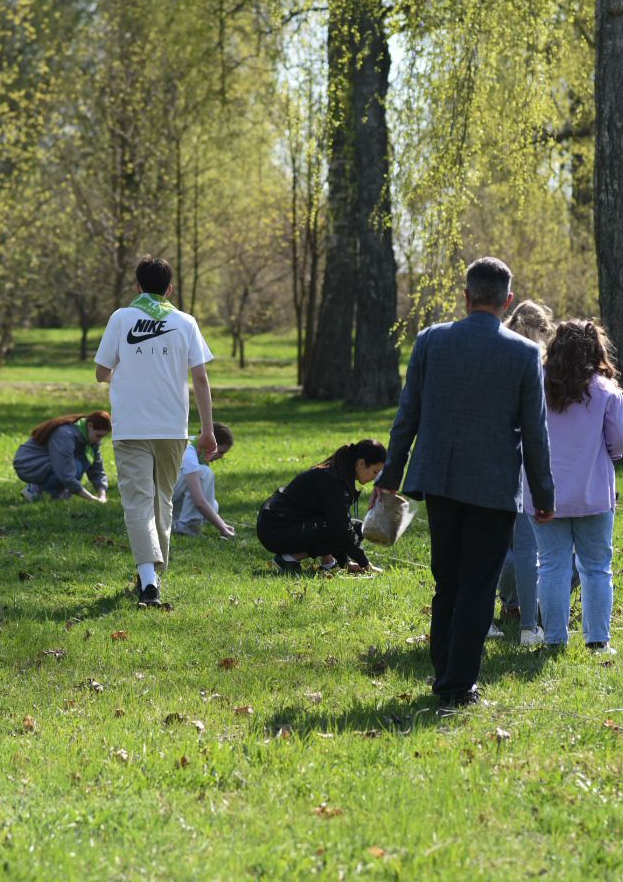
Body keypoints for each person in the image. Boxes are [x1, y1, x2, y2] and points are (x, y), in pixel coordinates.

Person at [378, 257, 554, 711]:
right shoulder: (524, 353)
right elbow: (535, 433)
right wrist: (544, 494)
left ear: (466, 296)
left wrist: (390, 475)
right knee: (477, 584)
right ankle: (457, 685)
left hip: (440, 479)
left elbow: (407, 416)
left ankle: (445, 673)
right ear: (507, 301)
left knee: (448, 582)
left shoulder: (430, 341)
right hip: (494, 486)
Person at [94, 255, 218, 609]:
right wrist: (208, 430)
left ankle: (148, 581)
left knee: (138, 500)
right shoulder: (186, 322)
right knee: (161, 500)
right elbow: (200, 378)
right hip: (172, 429)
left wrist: (125, 373)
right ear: (170, 289)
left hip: (131, 427)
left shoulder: (121, 318)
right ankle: (151, 577)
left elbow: (102, 372)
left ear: (137, 286)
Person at [530, 320, 623, 652]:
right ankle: (598, 640)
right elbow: (621, 439)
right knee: (597, 568)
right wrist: (610, 454)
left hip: (543, 492)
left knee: (551, 566)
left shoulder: (535, 385)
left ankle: (554, 639)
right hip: (593, 492)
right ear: (596, 351)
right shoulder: (606, 390)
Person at [495, 300, 555, 643]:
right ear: (540, 331)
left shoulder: (498, 351)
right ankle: (529, 623)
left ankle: (499, 613)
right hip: (523, 461)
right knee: (528, 548)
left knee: (493, 544)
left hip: (494, 459)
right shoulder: (535, 362)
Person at [258, 440, 387, 574]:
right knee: (345, 529)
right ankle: (288, 559)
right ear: (361, 463)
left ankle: (329, 563)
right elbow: (340, 529)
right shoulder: (333, 480)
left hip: (279, 526)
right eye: (375, 472)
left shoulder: (335, 473)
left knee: (356, 528)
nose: (375, 478)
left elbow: (330, 518)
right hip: (276, 530)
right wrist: (365, 564)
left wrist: (345, 563)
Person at [13, 412, 111, 504]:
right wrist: (91, 498)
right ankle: (36, 489)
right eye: (98, 435)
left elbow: (97, 469)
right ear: (90, 426)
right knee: (76, 466)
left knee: (84, 461)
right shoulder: (65, 434)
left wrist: (102, 496)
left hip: (51, 462)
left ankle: (58, 493)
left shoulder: (91, 439)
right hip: (29, 464)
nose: (99, 440)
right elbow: (66, 473)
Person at [173, 422, 236, 538]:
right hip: (158, 494)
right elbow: (199, 501)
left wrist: (222, 524)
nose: (221, 457)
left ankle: (175, 523)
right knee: (204, 473)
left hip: (170, 495)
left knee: (213, 505)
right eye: (220, 452)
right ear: (211, 443)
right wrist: (222, 527)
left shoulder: (199, 449)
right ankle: (188, 524)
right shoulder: (189, 452)